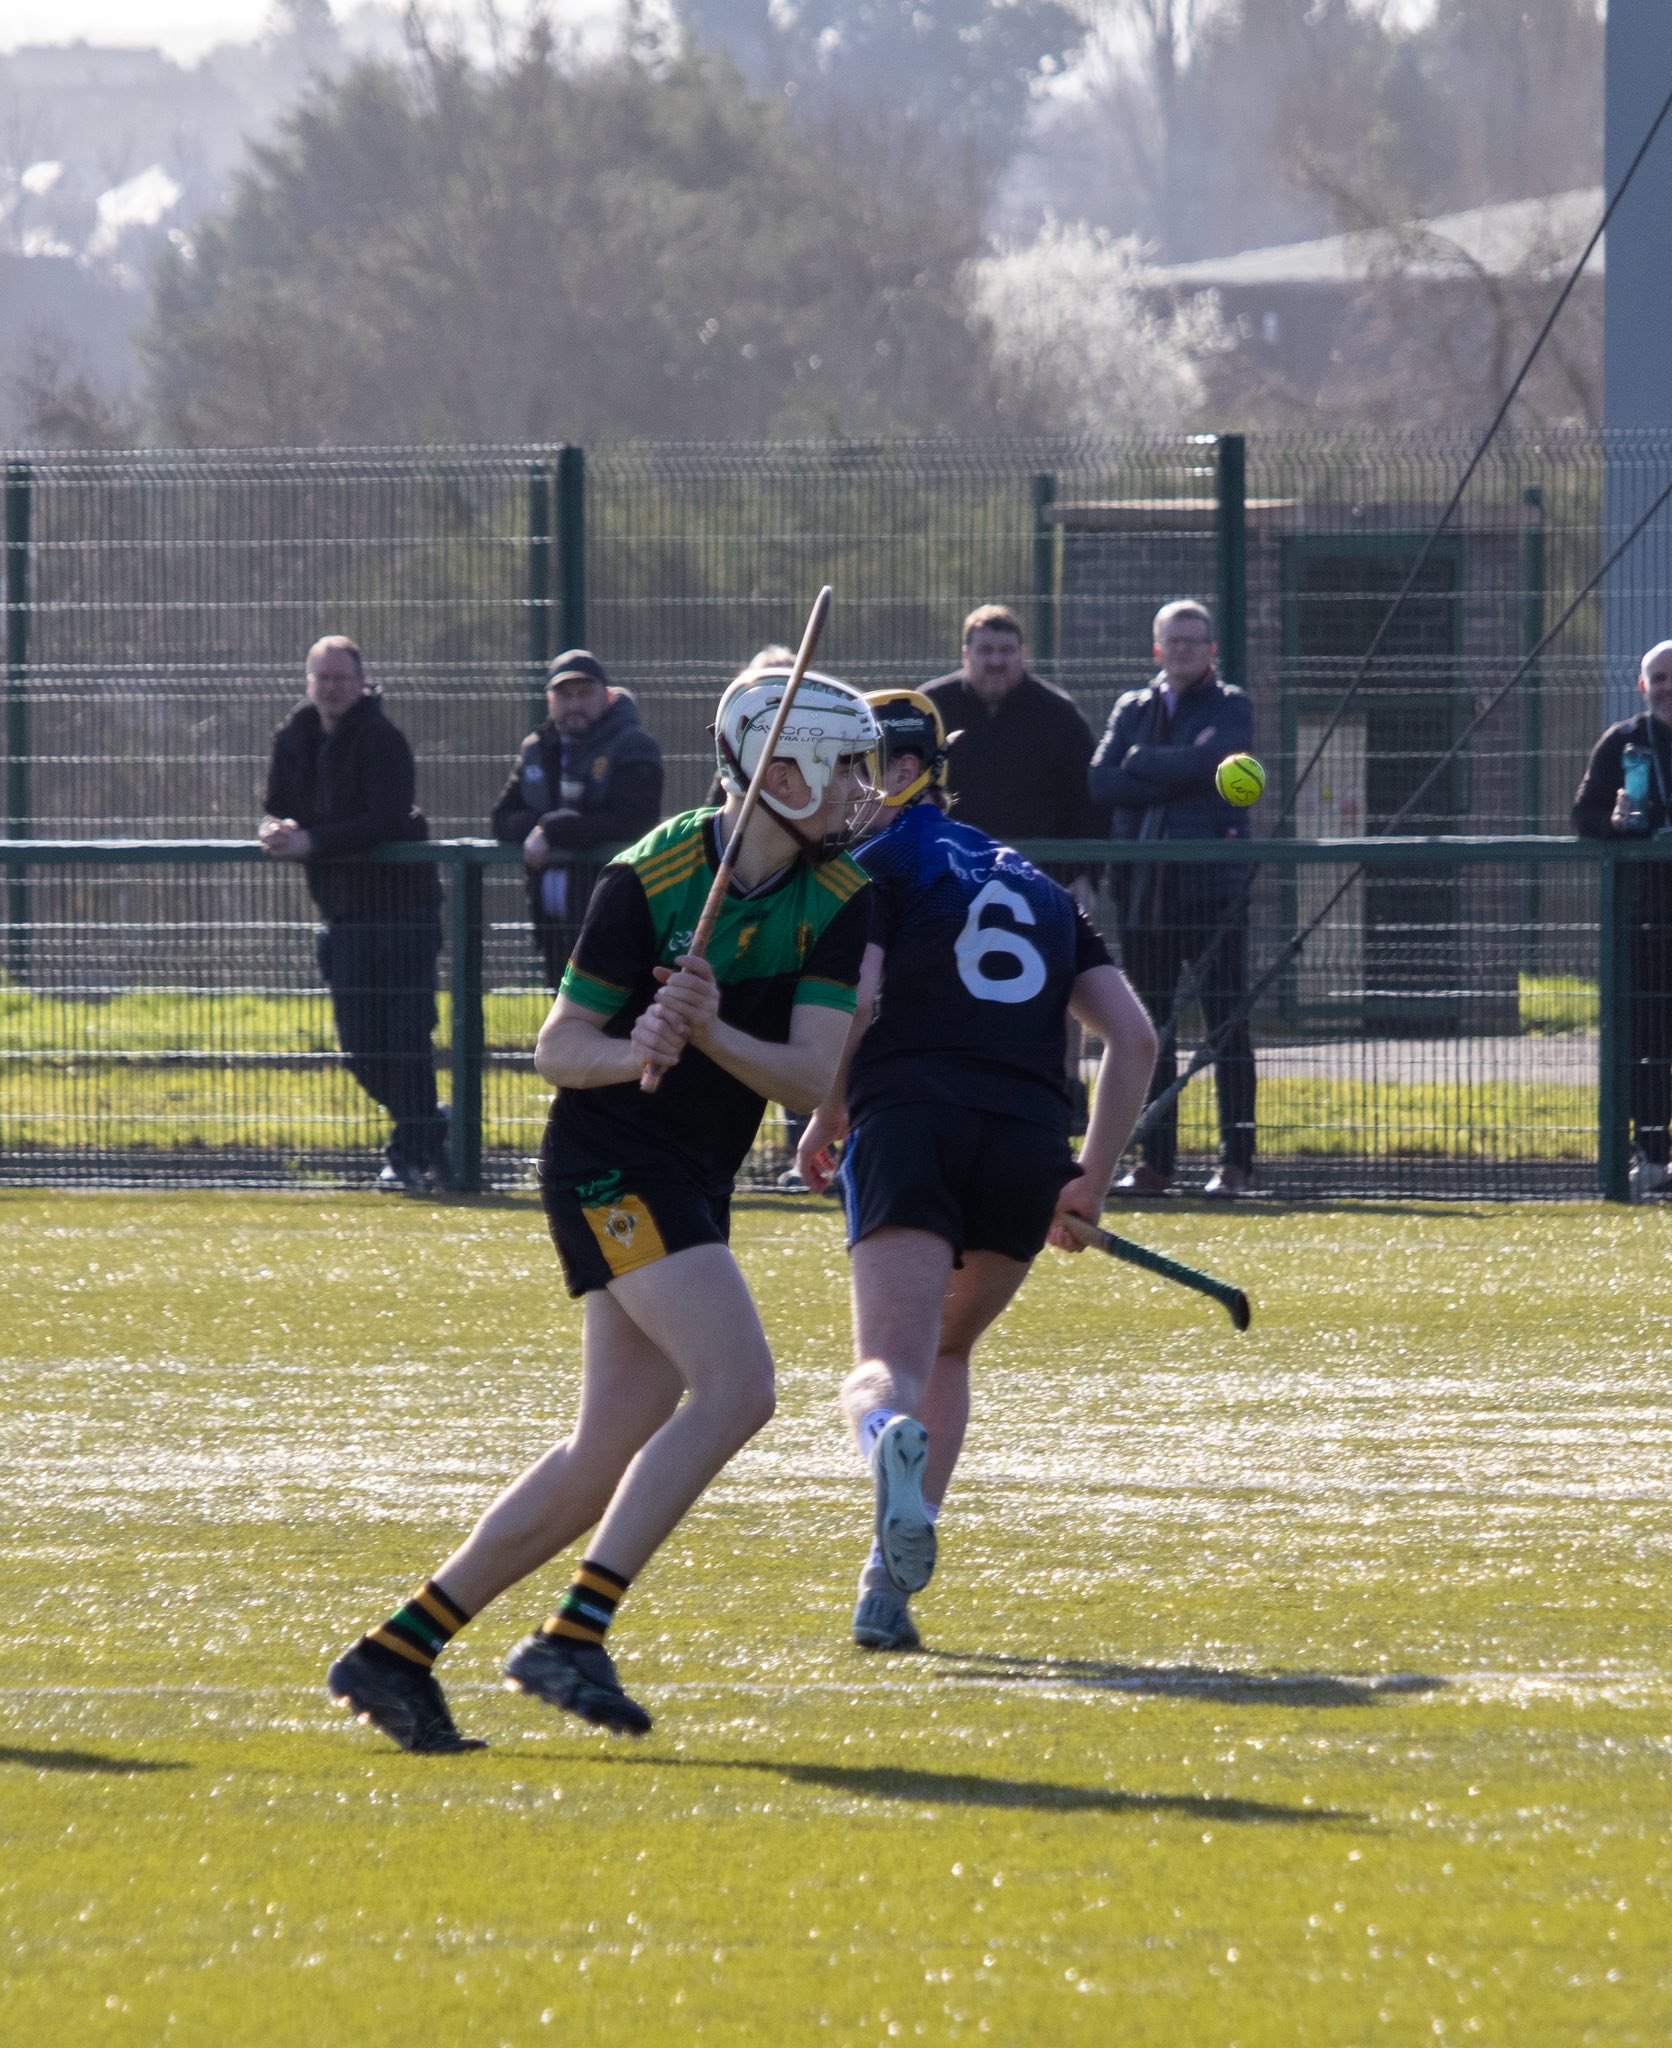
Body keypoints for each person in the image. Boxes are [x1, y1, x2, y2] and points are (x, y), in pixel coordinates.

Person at [326, 669, 880, 1750]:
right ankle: (576, 1631)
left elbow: (811, 1076)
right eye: (846, 766)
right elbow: (559, 1049)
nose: (863, 788)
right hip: (610, 1163)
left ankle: (394, 1651)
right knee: (739, 1388)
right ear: (782, 771)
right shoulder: (652, 876)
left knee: (603, 1450)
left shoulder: (842, 895)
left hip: (693, 1175)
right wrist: (638, 1048)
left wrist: (711, 1028)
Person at [795, 690, 1156, 1653]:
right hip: (1029, 1139)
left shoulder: (872, 866)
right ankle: (886, 1592)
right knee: (949, 1352)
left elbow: (859, 1002)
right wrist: (1091, 1179)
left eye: (852, 770)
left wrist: (826, 1112)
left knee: (885, 1371)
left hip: (912, 1119)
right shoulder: (1040, 883)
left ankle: (883, 1437)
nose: (839, 790)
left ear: (901, 771)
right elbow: (1134, 1038)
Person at [260, 634, 447, 1193]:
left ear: (362, 682)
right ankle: (432, 1126)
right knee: (361, 1048)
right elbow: (276, 808)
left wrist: (313, 841)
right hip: (342, 916)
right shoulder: (293, 738)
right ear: (308, 682)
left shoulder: (383, 740)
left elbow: (386, 819)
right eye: (322, 678)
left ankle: (409, 1153)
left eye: (341, 678)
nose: (331, 688)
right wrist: (275, 830)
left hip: (403, 913)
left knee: (405, 1040)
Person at [1089, 599, 1257, 1200]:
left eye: (1194, 640)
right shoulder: (1131, 708)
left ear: (1211, 650)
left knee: (1226, 1028)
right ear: (1157, 649)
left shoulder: (1232, 705)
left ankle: (1237, 1164)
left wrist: (1141, 763)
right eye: (1173, 640)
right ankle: (1154, 1165)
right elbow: (1100, 780)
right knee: (1148, 1030)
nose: (1183, 649)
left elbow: (1213, 763)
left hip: (1212, 892)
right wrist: (1174, 772)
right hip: (1143, 892)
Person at [491, 649, 665, 989]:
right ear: (549, 700)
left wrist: (553, 830)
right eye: (565, 695)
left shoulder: (634, 746)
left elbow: (634, 823)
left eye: (585, 693)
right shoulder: (537, 748)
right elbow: (501, 819)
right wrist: (543, 825)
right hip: (551, 918)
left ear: (607, 696)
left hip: (614, 914)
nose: (574, 704)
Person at [1573, 637, 1672, 1199]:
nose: (1668, 688)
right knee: (1648, 1046)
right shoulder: (1624, 743)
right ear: (1642, 687)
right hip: (1646, 923)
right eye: (1659, 678)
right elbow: (1582, 816)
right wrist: (1614, 824)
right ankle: (1652, 1158)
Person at [922, 604, 1097, 851]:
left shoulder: (1058, 713)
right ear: (966, 654)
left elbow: (1085, 798)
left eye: (1006, 651)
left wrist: (1079, 867)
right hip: (949, 859)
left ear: (1023, 654)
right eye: (985, 650)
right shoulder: (931, 707)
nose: (996, 661)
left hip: (1037, 864)